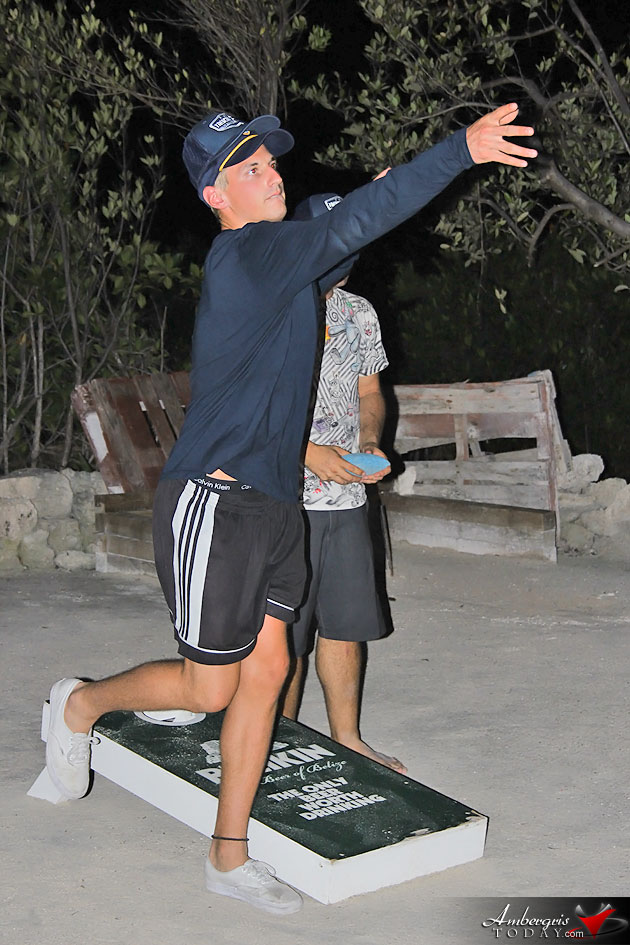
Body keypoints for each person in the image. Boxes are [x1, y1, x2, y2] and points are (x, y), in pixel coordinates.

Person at [44, 104, 537, 915]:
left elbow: (348, 229)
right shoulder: (246, 257)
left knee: (268, 673)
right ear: (215, 194)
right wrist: (461, 150)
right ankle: (78, 703)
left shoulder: (293, 278)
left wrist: (369, 201)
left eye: (272, 161)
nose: (271, 170)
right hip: (215, 501)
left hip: (277, 509)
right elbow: (353, 222)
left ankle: (227, 855)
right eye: (249, 167)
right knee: (212, 690)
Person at [281, 192, 404, 772]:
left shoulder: (360, 313)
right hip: (282, 498)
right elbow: (242, 409)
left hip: (347, 495)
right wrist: (308, 453)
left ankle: (346, 736)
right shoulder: (271, 309)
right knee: (284, 632)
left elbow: (370, 393)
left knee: (343, 622)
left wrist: (371, 441)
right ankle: (275, 742)